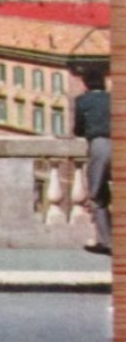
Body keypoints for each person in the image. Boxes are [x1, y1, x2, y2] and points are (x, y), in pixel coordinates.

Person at [74, 66, 111, 256]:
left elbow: (78, 129)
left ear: (86, 84)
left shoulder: (83, 101)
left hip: (100, 146)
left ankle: (106, 242)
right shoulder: (113, 98)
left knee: (97, 196)